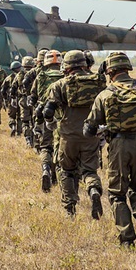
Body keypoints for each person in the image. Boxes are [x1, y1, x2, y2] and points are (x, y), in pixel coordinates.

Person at [84, 52, 136, 248]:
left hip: (118, 147)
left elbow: (88, 129)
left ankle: (127, 238)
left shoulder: (105, 94)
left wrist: (100, 130)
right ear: (127, 68)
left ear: (109, 71)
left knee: (117, 194)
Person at [44, 50, 106, 218]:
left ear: (67, 65)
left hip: (68, 136)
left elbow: (47, 111)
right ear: (84, 64)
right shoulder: (98, 83)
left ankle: (69, 208)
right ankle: (93, 190)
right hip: (91, 135)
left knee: (66, 171)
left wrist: (51, 125)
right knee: (89, 171)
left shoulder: (60, 85)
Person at [30, 50, 64, 192]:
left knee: (45, 147)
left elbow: (33, 97)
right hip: (61, 117)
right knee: (58, 146)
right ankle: (56, 176)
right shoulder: (65, 76)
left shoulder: (41, 76)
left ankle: (45, 169)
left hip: (43, 115)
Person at [10, 56, 36, 147]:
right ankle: (34, 139)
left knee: (25, 121)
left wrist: (13, 98)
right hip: (34, 99)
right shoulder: (36, 72)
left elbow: (13, 87)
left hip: (23, 99)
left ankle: (28, 139)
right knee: (34, 121)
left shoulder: (20, 74)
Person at [2, 61, 22, 137]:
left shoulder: (8, 78)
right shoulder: (23, 76)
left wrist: (5, 99)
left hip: (12, 99)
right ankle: (19, 132)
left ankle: (13, 127)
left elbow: (3, 90)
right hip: (21, 99)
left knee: (12, 116)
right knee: (20, 116)